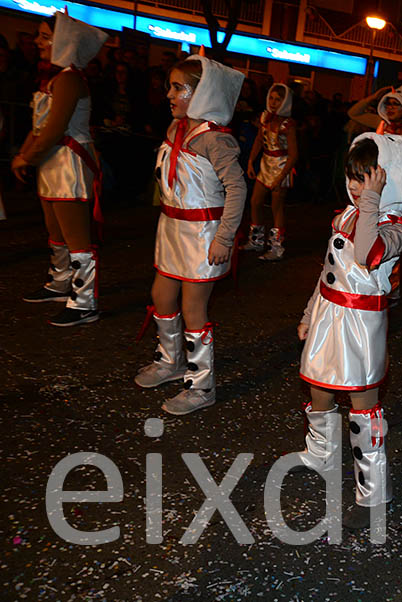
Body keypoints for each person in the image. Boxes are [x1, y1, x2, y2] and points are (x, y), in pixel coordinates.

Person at [295, 133, 402, 529]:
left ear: (391, 178)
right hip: (328, 313)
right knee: (319, 385)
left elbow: (366, 254)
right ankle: (321, 451)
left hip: (360, 325)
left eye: (367, 176)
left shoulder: (395, 226)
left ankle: (373, 492)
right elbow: (327, 269)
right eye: (353, 175)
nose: (356, 185)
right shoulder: (347, 214)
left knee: (362, 405)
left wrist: (371, 200)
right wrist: (308, 312)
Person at [133, 55, 246, 416]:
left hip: (202, 235)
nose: (169, 93)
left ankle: (201, 386)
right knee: (160, 295)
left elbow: (237, 189)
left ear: (204, 93)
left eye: (178, 87)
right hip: (172, 229)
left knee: (193, 307)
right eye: (171, 85)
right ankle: (171, 360)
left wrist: (224, 238)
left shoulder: (216, 139)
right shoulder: (175, 128)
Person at [14, 13, 107, 326]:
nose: (38, 42)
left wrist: (26, 157)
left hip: (69, 162)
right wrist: (27, 154)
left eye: (44, 36)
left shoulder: (69, 79)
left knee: (76, 237)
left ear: (64, 41)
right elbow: (40, 126)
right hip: (53, 162)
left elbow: (54, 129)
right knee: (55, 231)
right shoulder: (54, 78)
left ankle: (84, 303)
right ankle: (59, 283)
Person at [347, 81, 402, 304]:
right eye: (388, 104)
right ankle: (362, 279)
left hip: (396, 196)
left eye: (396, 104)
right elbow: (353, 112)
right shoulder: (382, 125)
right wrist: (375, 95)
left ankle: (388, 290)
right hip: (371, 190)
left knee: (390, 241)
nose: (391, 108)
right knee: (366, 232)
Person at [242, 83, 298, 260]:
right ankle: (257, 241)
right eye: (272, 98)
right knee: (255, 201)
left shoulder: (288, 124)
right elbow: (259, 140)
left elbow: (294, 154)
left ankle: (276, 248)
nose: (274, 102)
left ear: (285, 101)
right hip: (266, 164)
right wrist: (251, 161)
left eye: (278, 99)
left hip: (281, 166)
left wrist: (281, 176)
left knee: (277, 207)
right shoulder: (265, 117)